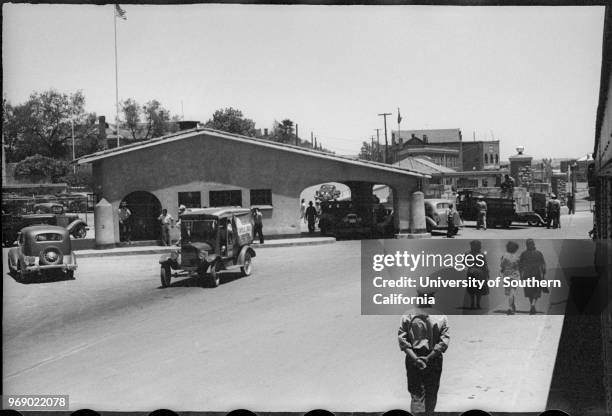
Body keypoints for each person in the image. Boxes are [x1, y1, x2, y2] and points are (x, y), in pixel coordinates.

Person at [398, 296, 450, 416]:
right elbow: (443, 343)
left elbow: (403, 340)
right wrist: (428, 358)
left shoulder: (408, 315)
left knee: (416, 394)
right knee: (431, 393)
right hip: (434, 359)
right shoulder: (441, 316)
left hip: (413, 359)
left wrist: (416, 358)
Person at [519, 239, 547, 315]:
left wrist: (521, 276)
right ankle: (533, 305)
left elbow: (520, 266)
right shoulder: (538, 253)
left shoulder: (523, 254)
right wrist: (543, 274)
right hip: (536, 274)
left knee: (530, 292)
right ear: (533, 244)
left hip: (527, 275)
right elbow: (543, 264)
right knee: (536, 291)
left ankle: (532, 305)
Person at [466, 240, 489, 309]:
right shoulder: (481, 254)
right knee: (478, 289)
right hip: (479, 273)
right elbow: (485, 265)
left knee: (472, 289)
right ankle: (477, 304)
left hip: (471, 272)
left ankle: (473, 304)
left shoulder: (467, 254)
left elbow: (464, 262)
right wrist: (487, 274)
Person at [500, 241, 520, 315]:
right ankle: (510, 307)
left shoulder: (504, 255)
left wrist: (501, 273)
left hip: (506, 275)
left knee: (509, 292)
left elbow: (502, 265)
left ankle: (512, 306)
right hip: (515, 276)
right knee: (512, 291)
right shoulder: (517, 256)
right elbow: (519, 266)